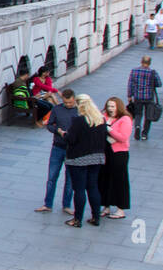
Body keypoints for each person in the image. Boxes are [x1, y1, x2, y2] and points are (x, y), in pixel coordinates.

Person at [59, 94, 108, 228]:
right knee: (93, 187)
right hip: (96, 158)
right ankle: (96, 217)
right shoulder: (101, 119)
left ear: (79, 105)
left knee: (79, 189)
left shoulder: (79, 121)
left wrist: (63, 134)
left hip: (78, 159)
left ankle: (77, 219)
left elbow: (71, 139)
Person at [35, 89, 77, 213]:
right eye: (65, 102)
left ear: (74, 99)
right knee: (52, 177)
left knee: (69, 179)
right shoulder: (57, 109)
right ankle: (48, 204)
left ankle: (66, 205)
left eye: (70, 102)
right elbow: (49, 125)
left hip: (72, 149)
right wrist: (57, 130)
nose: (68, 105)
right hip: (57, 146)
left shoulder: (79, 111)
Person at [99, 97, 132, 220]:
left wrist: (108, 129)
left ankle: (121, 209)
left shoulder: (125, 119)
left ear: (119, 106)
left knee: (120, 180)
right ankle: (106, 206)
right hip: (105, 151)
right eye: (109, 106)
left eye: (113, 106)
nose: (110, 109)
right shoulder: (105, 116)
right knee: (104, 178)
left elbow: (123, 137)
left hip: (119, 154)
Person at [126, 55, 162, 141]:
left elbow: (130, 84)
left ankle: (137, 126)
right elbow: (159, 84)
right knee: (148, 115)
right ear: (149, 63)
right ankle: (144, 134)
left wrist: (129, 95)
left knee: (138, 114)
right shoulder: (152, 72)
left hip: (137, 96)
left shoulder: (134, 71)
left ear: (141, 61)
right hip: (149, 97)